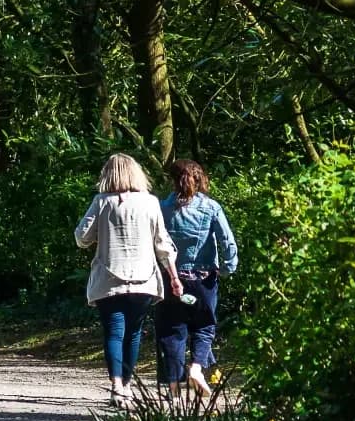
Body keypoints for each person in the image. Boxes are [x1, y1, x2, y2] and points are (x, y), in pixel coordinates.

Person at [76, 153, 181, 401]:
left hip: (109, 278)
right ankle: (128, 384)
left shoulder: (101, 202)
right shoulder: (151, 202)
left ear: (108, 174)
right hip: (144, 278)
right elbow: (162, 243)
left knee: (114, 332)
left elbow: (82, 237)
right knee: (133, 333)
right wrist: (174, 277)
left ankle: (116, 386)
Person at [156, 159, 239, 399]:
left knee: (172, 330)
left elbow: (156, 241)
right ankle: (196, 367)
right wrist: (227, 267)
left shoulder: (162, 208)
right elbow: (227, 240)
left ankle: (172, 389)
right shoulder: (211, 207)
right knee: (204, 326)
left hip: (172, 278)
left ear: (173, 181)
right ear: (200, 178)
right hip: (204, 279)